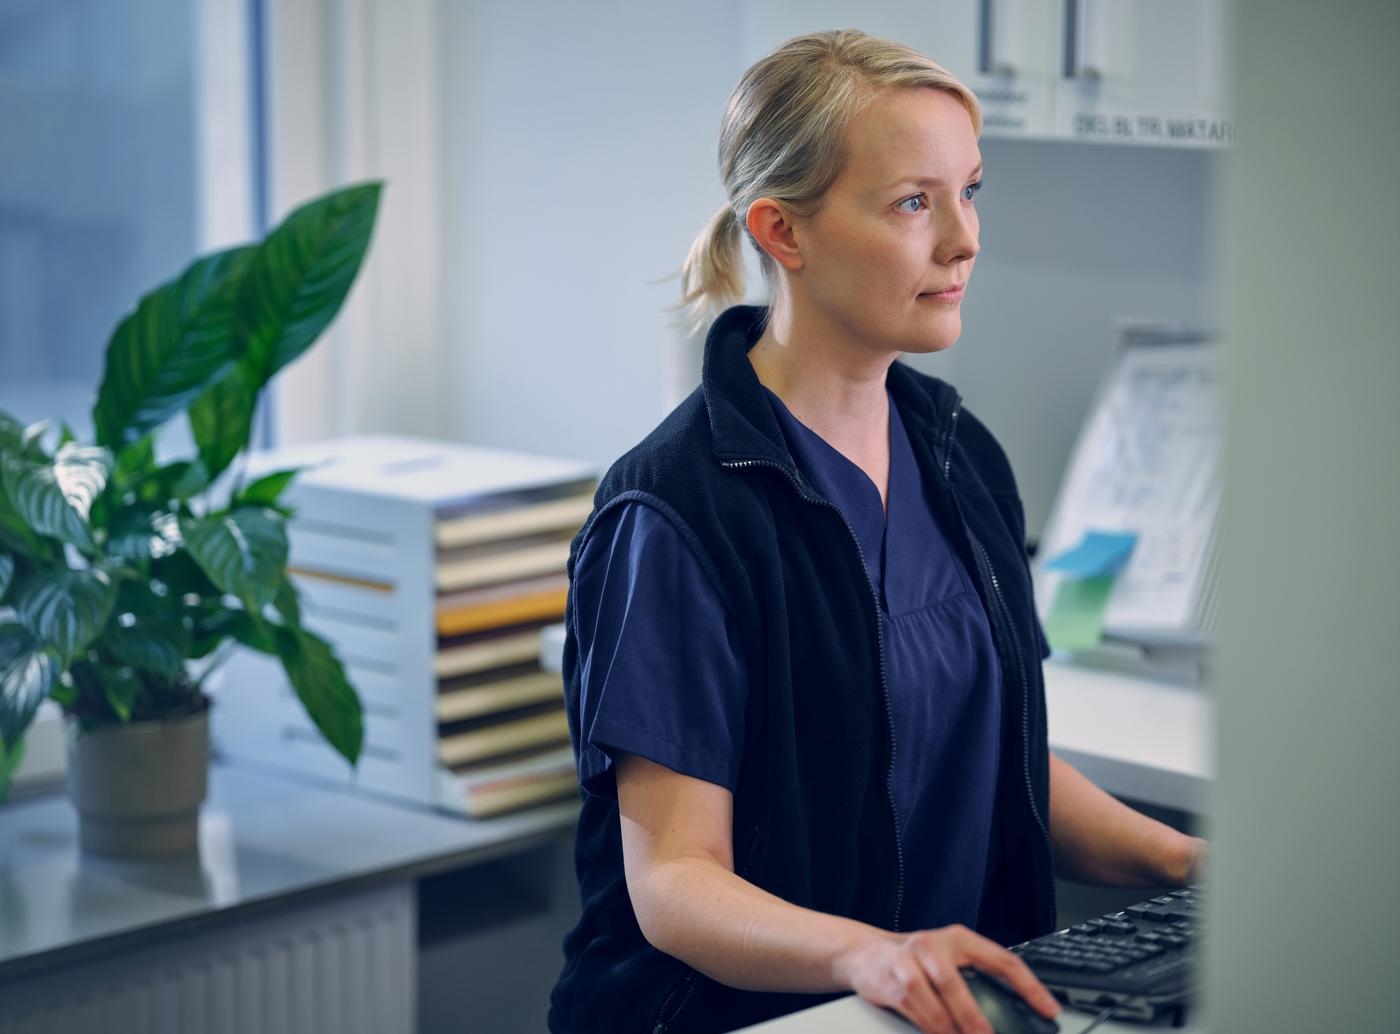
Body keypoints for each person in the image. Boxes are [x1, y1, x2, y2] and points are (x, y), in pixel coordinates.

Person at [548, 29, 1207, 1034]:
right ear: (782, 231)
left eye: (968, 191)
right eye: (912, 201)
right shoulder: (677, 513)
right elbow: (674, 881)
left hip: (931, 1008)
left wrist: (1183, 860)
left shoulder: (955, 450)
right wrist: (874, 955)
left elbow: (997, 751)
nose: (961, 238)